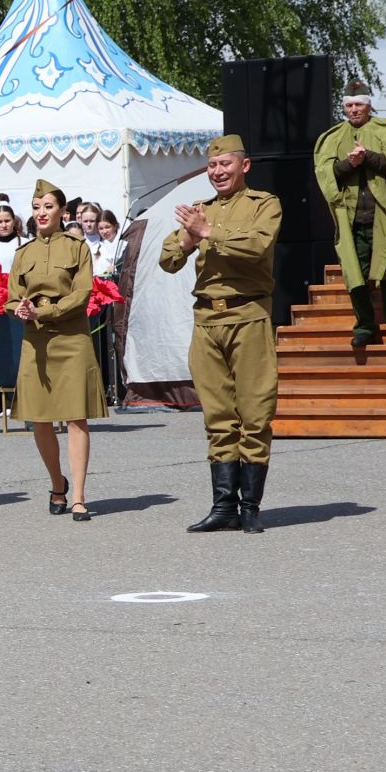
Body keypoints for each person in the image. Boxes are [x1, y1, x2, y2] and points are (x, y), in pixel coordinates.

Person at [162, 135, 282, 534]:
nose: (218, 172)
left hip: (247, 316)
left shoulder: (264, 204)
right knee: (217, 417)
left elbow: (258, 246)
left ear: (243, 166)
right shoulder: (199, 210)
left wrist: (209, 232)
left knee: (255, 412)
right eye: (213, 166)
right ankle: (223, 506)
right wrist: (187, 237)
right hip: (207, 322)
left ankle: (251, 507)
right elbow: (168, 261)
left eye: (225, 165)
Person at [11, 179, 105, 521]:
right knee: (39, 418)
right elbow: (10, 296)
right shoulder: (23, 253)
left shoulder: (77, 248)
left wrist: (45, 311)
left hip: (70, 335)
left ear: (62, 212)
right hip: (35, 339)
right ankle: (57, 484)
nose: (41, 213)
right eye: (36, 207)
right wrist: (19, 309)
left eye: (48, 207)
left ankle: (79, 496)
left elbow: (81, 294)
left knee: (76, 416)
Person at [313, 78, 386, 348]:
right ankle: (365, 326)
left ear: (369, 106)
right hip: (353, 219)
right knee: (355, 274)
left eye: (359, 104)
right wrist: (349, 163)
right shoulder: (333, 137)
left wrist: (368, 156)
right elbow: (326, 172)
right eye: (349, 105)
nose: (354, 109)